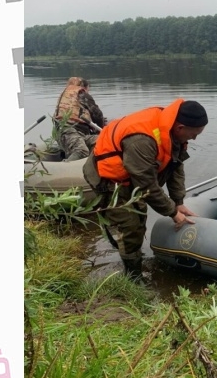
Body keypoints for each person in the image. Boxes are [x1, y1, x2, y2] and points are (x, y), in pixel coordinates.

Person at [82, 98, 207, 279]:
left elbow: (175, 166)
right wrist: (172, 212)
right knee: (130, 226)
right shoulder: (142, 139)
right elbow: (146, 184)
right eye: (194, 134)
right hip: (108, 179)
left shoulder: (174, 132)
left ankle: (130, 250)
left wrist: (178, 201)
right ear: (180, 127)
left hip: (133, 176)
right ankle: (133, 277)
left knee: (140, 216)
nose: (194, 138)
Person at [53, 76, 107, 161]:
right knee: (82, 151)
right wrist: (101, 129)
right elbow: (97, 114)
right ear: (84, 87)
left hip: (76, 133)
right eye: (88, 89)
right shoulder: (82, 94)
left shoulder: (66, 95)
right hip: (69, 132)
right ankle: (66, 167)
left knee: (103, 141)